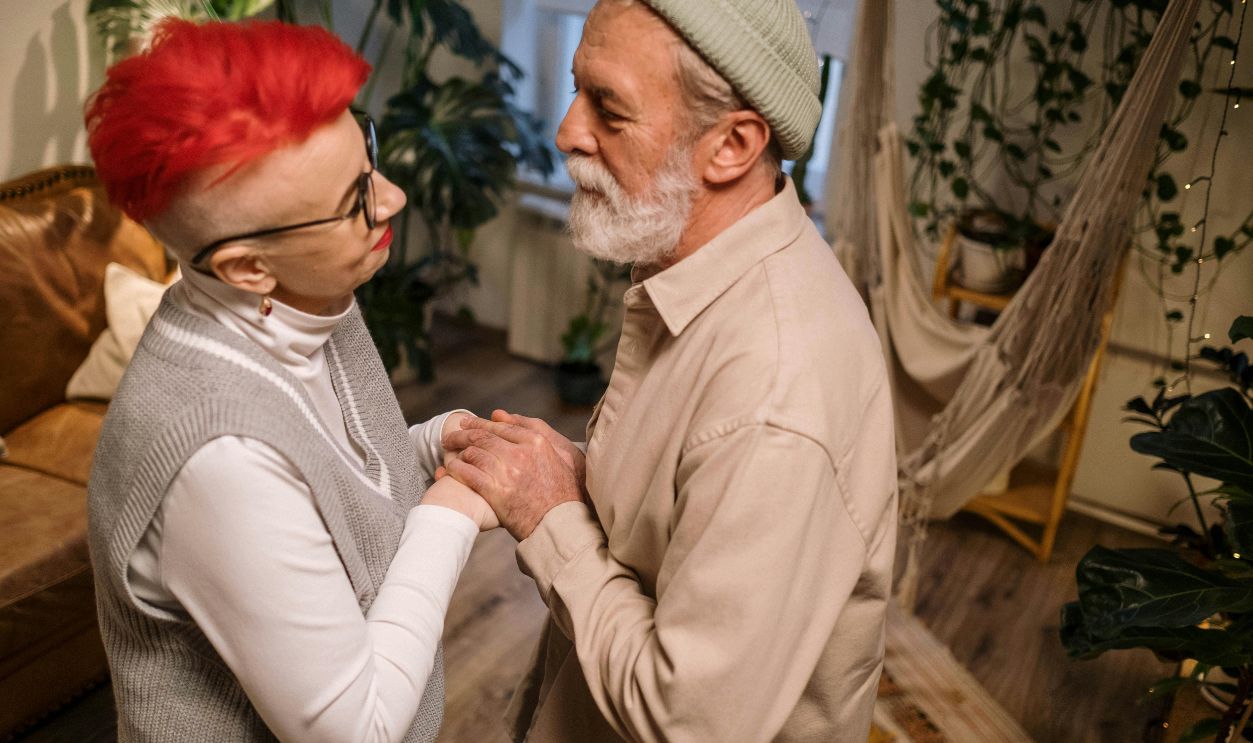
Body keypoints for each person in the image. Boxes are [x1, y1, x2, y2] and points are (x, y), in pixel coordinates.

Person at [440, 1, 899, 741]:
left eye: (609, 109)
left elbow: (686, 720)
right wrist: (576, 476)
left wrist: (551, 519)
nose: (567, 132)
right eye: (576, 89)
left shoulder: (776, 396)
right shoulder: (705, 275)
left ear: (732, 145)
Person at [84, 20, 496, 742]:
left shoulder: (309, 298)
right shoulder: (219, 457)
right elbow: (358, 730)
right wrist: (451, 513)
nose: (393, 198)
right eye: (354, 199)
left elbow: (323, 486)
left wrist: (432, 446)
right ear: (248, 267)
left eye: (368, 157)